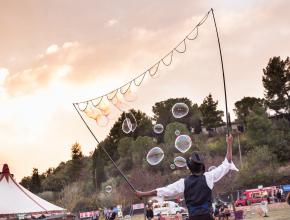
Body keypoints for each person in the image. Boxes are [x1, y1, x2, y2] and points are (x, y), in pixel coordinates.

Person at [136, 134, 238, 220]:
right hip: (207, 217)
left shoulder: (183, 182)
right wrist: (229, 143)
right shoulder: (208, 177)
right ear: (202, 167)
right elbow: (227, 163)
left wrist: (142, 193)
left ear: (189, 168)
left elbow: (162, 191)